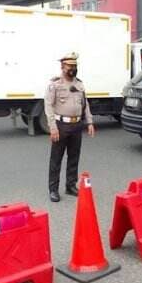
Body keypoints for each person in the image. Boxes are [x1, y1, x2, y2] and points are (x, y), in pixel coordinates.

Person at [45, 52, 95, 202]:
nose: (73, 69)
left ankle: (70, 185)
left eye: (75, 66)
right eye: (70, 66)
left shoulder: (79, 84)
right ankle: (53, 189)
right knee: (56, 159)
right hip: (61, 126)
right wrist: (52, 127)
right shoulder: (55, 85)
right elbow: (48, 105)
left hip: (76, 125)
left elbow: (85, 104)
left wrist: (90, 122)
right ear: (62, 67)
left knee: (74, 157)